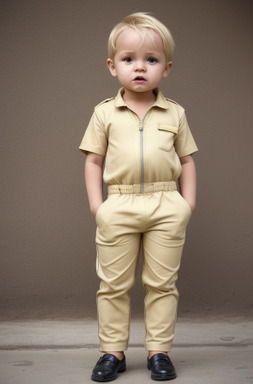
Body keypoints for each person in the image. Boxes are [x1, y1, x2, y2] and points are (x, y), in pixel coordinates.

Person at [79, 12, 198, 382]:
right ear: (113, 67)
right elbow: (93, 161)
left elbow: (187, 160)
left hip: (166, 204)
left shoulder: (175, 113)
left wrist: (187, 205)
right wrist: (98, 207)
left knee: (162, 284)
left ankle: (158, 352)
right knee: (113, 284)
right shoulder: (104, 113)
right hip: (120, 204)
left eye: (151, 59)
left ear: (167, 68)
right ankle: (112, 353)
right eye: (129, 59)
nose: (140, 67)